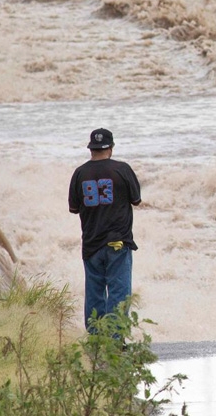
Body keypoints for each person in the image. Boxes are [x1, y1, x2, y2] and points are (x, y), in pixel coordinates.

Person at [68, 128, 141, 332]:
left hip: (91, 243)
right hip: (118, 241)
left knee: (94, 292)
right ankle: (115, 341)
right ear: (111, 148)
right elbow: (136, 200)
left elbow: (74, 208)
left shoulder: (79, 173)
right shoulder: (122, 169)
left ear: (91, 149)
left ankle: (96, 341)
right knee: (119, 292)